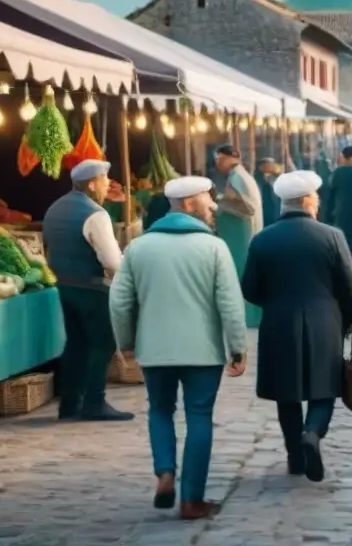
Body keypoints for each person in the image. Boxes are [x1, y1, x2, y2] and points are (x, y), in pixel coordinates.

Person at [108, 176, 247, 520]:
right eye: (207, 200)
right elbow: (230, 303)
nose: (214, 207)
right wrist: (238, 347)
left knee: (159, 411)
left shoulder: (139, 247)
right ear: (187, 205)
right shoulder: (214, 247)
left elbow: (119, 301)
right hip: (203, 351)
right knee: (199, 417)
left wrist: (125, 341)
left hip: (154, 350)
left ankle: (166, 473)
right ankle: (191, 499)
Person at [241, 170, 352, 481]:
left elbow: (249, 288)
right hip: (325, 321)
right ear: (308, 201)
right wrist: (349, 323)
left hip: (279, 322)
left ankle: (295, 454)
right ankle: (312, 434)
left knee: (287, 392)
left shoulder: (262, 239)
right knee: (325, 388)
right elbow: (349, 286)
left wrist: (275, 302)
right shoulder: (332, 236)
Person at [42, 159, 132, 422]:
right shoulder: (95, 214)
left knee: (76, 343)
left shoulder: (54, 208)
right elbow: (113, 261)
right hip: (92, 288)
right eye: (105, 180)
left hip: (64, 285)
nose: (107, 185)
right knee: (103, 343)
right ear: (92, 183)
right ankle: (94, 402)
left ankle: (69, 404)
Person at [213, 145, 263, 328]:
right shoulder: (239, 176)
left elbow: (246, 207)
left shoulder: (238, 177)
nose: (217, 163)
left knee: (241, 273)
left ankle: (245, 316)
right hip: (243, 233)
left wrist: (221, 204)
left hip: (242, 234)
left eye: (219, 159)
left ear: (227, 158)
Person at [254, 158, 281, 228]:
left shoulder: (275, 178)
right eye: (269, 164)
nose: (272, 167)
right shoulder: (258, 178)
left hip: (274, 213)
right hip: (264, 212)